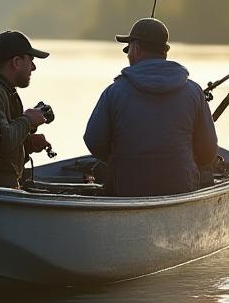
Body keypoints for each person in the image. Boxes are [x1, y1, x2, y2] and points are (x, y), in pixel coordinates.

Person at [83, 17, 218, 197]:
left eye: (128, 49)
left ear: (137, 48)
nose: (128, 54)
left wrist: (117, 158)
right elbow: (208, 151)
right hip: (181, 188)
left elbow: (93, 140)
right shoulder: (194, 91)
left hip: (128, 188)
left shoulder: (114, 92)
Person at [0, 31, 52, 188]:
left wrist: (27, 144)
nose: (33, 67)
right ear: (16, 62)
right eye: (31, 60)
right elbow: (1, 141)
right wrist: (28, 120)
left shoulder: (2, 88)